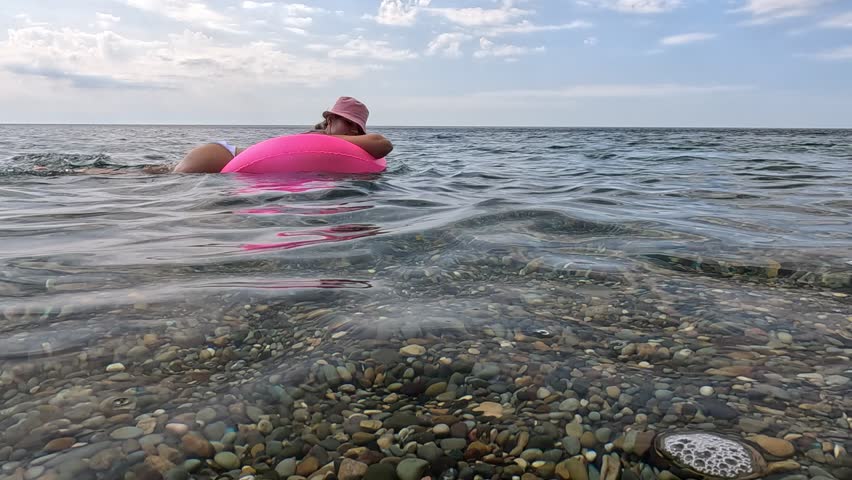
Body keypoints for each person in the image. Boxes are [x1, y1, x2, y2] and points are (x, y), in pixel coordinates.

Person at [173, 97, 393, 173]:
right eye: (351, 125)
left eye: (358, 129)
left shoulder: (327, 143)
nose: (355, 132)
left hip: (230, 163)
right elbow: (382, 143)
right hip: (222, 156)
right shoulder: (316, 139)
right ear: (330, 121)